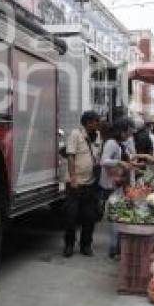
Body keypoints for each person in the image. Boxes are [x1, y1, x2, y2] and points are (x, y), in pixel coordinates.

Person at [64, 110, 103, 257]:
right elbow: (70, 157)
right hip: (75, 184)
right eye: (95, 121)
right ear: (88, 122)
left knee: (89, 217)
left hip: (91, 183)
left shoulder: (98, 135)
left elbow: (97, 155)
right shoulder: (76, 134)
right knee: (71, 217)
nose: (98, 123)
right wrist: (73, 178)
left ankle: (86, 245)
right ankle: (69, 245)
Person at [99, 119, 135, 258]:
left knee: (118, 217)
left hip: (119, 184)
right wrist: (119, 162)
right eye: (128, 132)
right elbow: (104, 161)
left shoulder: (120, 143)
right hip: (113, 185)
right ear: (121, 131)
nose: (129, 136)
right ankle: (114, 249)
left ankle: (117, 248)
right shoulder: (111, 143)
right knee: (115, 219)